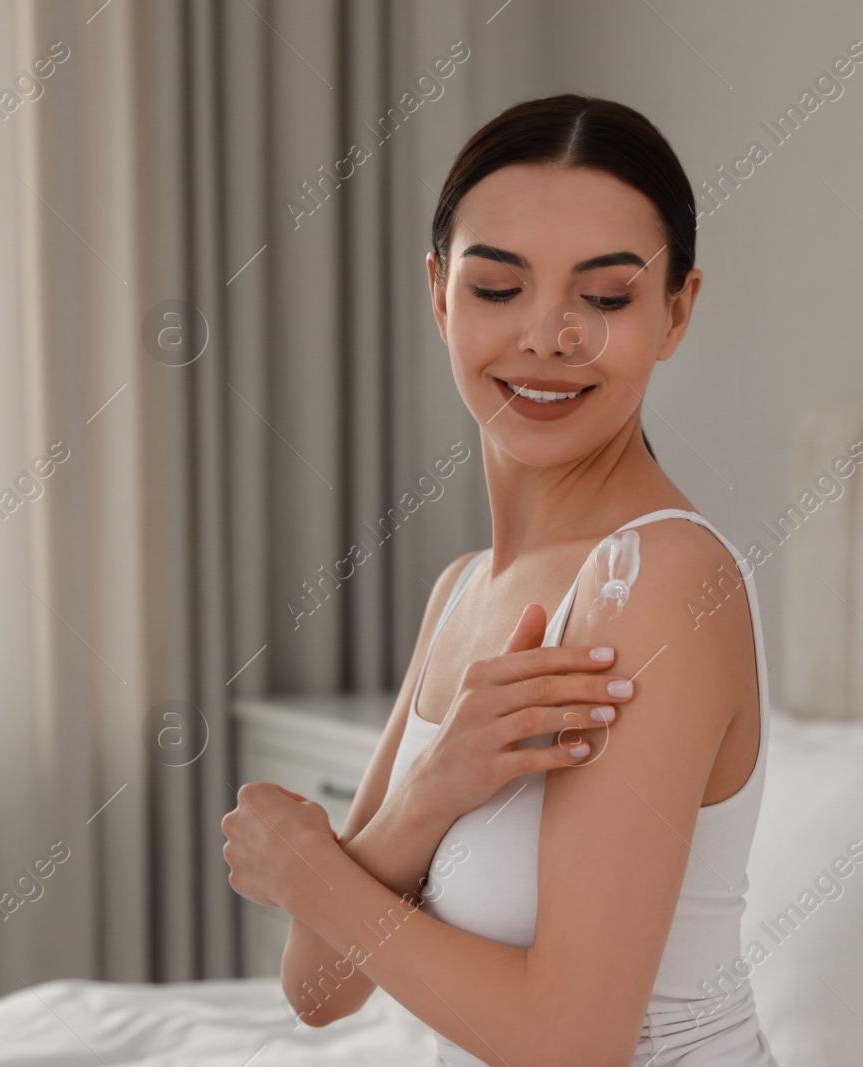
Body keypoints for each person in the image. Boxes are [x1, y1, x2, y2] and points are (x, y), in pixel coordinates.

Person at [223, 93, 777, 1067]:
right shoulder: (463, 592)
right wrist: (431, 790)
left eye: (604, 297)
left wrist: (309, 861)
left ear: (675, 311)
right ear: (437, 292)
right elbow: (319, 988)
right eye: (497, 289)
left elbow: (573, 1044)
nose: (547, 335)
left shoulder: (660, 580)